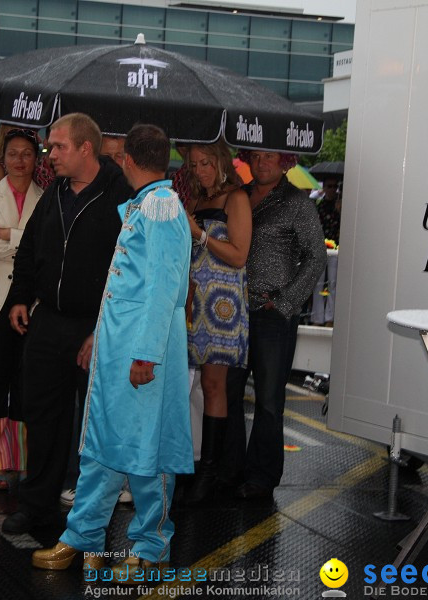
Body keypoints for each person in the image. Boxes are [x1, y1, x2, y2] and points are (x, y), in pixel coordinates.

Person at [32, 123, 192, 581]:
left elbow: (162, 289)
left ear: (127, 159)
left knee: (147, 449)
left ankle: (151, 547)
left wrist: (145, 354)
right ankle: (82, 536)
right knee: (103, 444)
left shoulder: (160, 208)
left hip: (142, 354)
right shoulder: (148, 205)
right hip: (120, 351)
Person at [2, 113, 133, 534]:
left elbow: (129, 269)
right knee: (42, 417)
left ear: (85, 149)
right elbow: (29, 249)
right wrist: (21, 296)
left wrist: (102, 329)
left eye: (58, 147)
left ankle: (91, 516)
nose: (49, 154)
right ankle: (35, 505)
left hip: (97, 327)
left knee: (97, 426)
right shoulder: (55, 191)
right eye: (50, 146)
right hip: (49, 322)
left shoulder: (121, 194)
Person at [229, 150, 326, 500]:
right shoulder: (237, 196)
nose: (261, 163)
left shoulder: (297, 202)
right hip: (233, 311)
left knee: (269, 400)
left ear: (284, 161)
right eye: (255, 156)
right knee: (230, 394)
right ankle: (232, 469)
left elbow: (316, 256)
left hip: (272, 314)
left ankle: (261, 477)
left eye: (269, 157)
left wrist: (284, 302)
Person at [181, 141, 252, 505]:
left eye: (206, 163)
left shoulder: (235, 198)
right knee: (195, 386)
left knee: (213, 385)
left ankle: (210, 472)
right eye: (194, 165)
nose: (200, 170)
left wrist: (201, 235)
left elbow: (240, 256)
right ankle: (197, 466)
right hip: (195, 305)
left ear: (222, 162)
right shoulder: (194, 201)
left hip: (224, 307)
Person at [0, 128, 43, 489]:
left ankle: (22, 458)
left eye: (27, 154)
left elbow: (42, 253)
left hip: (31, 303)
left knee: (26, 380)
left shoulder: (44, 199)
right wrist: (21, 241)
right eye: (13, 153)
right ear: (4, 157)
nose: (19, 161)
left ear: (37, 159)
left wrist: (9, 235)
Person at [310, 176, 341, 326]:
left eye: (335, 186)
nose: (332, 189)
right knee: (318, 284)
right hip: (320, 248)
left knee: (333, 284)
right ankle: (317, 317)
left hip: (336, 249)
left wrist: (340, 211)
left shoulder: (341, 206)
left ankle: (330, 317)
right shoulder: (319, 206)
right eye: (329, 186)